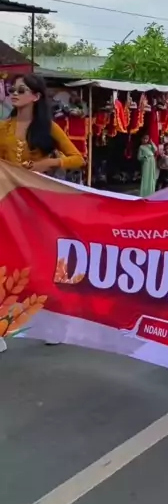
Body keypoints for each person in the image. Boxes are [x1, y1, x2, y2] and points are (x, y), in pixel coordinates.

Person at [0, 73, 84, 352]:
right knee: (5, 262)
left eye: (21, 89)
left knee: (44, 264)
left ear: (35, 96)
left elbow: (78, 158)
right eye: (12, 89)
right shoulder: (3, 128)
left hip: (40, 205)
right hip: (9, 202)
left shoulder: (48, 128)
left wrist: (48, 163)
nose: (15, 93)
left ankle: (56, 322)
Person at [137, 133, 158, 197]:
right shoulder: (141, 147)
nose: (145, 140)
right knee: (146, 176)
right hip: (146, 162)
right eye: (144, 139)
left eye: (147, 139)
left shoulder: (150, 146)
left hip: (152, 161)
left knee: (151, 176)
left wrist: (152, 143)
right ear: (141, 139)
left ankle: (151, 192)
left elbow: (155, 149)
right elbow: (139, 157)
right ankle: (144, 193)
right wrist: (144, 157)